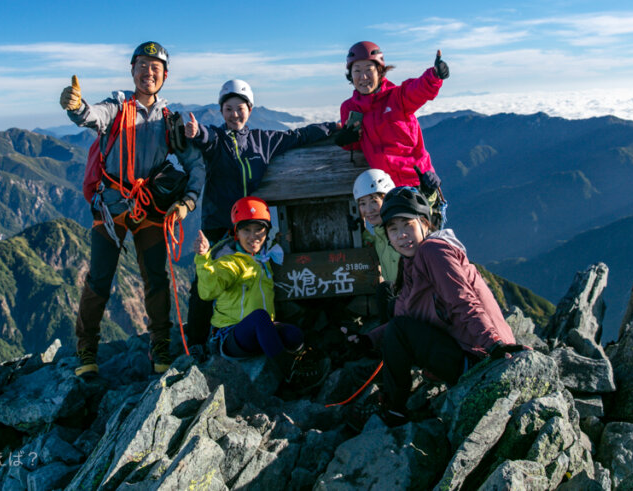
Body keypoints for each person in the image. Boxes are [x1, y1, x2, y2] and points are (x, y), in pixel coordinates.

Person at [59, 41, 205, 376]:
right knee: (100, 278)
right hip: (111, 208)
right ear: (133, 70)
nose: (148, 72)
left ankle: (160, 346)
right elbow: (90, 116)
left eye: (155, 67)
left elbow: (195, 164)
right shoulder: (117, 106)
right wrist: (76, 106)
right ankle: (87, 351)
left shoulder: (170, 120)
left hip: (147, 208)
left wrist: (188, 201)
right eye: (142, 65)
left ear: (164, 76)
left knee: (156, 277)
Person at [182, 78, 339, 346]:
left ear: (250, 110)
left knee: (253, 277)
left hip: (251, 225)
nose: (234, 114)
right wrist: (197, 133)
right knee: (206, 280)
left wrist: (333, 128)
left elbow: (297, 136)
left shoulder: (262, 141)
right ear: (221, 112)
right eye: (228, 109)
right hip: (219, 224)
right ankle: (197, 342)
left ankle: (250, 330)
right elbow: (205, 138)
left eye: (240, 108)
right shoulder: (216, 139)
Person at [350, 188, 525, 426]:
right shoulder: (410, 263)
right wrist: (367, 340)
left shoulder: (434, 251)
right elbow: (405, 315)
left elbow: (463, 300)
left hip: (477, 357)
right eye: (393, 229)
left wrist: (494, 344)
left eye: (407, 225)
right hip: (466, 350)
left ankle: (394, 409)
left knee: (399, 329)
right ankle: (393, 395)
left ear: (424, 223)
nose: (401, 235)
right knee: (391, 304)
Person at [192, 196, 329, 392]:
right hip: (230, 336)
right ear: (236, 233)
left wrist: (280, 240)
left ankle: (295, 362)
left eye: (259, 230)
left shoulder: (262, 259)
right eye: (246, 230)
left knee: (294, 335)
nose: (253, 236)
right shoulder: (230, 261)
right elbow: (207, 291)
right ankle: (292, 375)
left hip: (259, 332)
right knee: (259, 318)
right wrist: (203, 259)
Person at [338, 41, 449, 212]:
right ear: (350, 75)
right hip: (386, 189)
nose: (363, 76)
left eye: (369, 69)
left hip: (419, 183)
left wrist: (434, 75)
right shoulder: (349, 108)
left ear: (380, 71)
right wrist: (346, 140)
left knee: (423, 234)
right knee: (396, 237)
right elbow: (357, 144)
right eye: (357, 71)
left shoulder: (397, 97)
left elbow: (418, 90)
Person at [352, 169, 401, 322]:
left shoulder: (402, 234)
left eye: (374, 201)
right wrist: (361, 232)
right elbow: (377, 242)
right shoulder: (381, 233)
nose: (368, 210)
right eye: (363, 203)